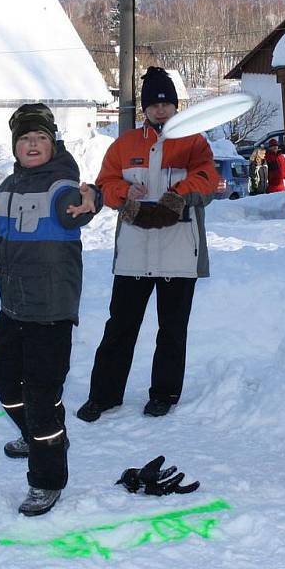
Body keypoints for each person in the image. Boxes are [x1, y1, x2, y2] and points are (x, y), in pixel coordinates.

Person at [0, 104, 102, 516]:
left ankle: (46, 479)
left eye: (40, 138)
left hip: (51, 310)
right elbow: (2, 243)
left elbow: (76, 206)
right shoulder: (9, 186)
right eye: (25, 139)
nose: (33, 144)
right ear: (15, 146)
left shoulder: (61, 183)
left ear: (52, 142)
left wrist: (93, 198)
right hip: (15, 306)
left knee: (41, 396)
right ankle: (42, 433)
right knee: (3, 377)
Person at [76, 66, 219, 423]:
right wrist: (125, 194)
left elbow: (207, 179)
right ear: (144, 109)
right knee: (119, 328)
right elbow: (105, 183)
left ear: (175, 105)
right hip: (134, 254)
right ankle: (104, 396)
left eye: (166, 103)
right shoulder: (124, 145)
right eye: (154, 104)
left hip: (179, 251)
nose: (160, 110)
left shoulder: (193, 142)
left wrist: (178, 194)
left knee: (171, 330)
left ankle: (164, 394)